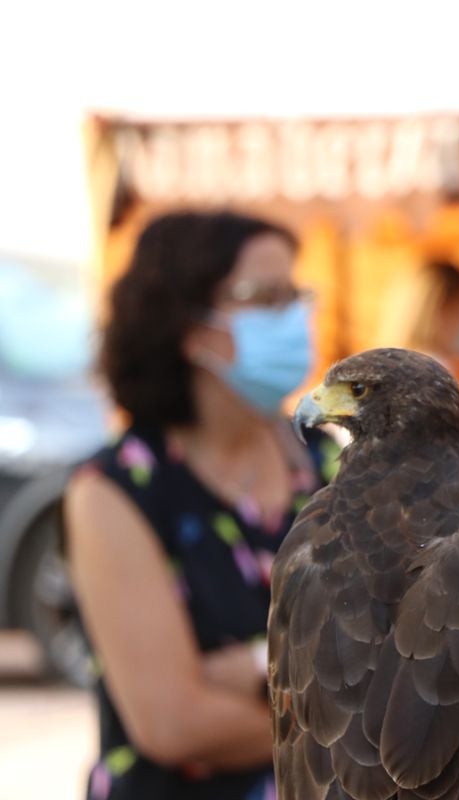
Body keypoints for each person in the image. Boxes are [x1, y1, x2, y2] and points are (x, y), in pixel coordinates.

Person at [64, 210, 340, 800]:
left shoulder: (327, 465)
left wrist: (242, 668)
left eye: (296, 295)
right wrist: (354, 730)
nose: (293, 319)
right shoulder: (115, 491)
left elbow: (403, 651)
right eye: (265, 298)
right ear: (188, 325)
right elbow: (172, 724)